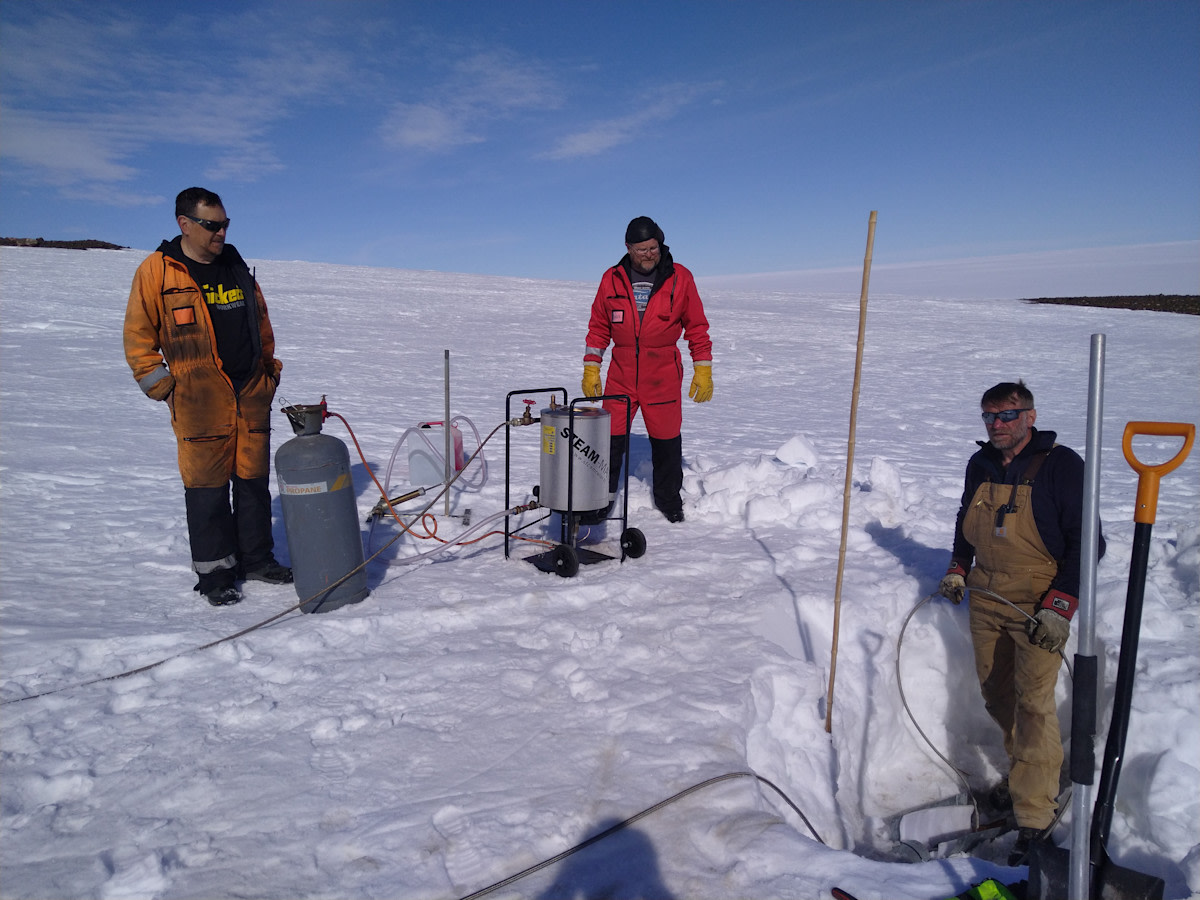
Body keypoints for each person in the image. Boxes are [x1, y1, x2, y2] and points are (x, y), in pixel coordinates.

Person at [938, 380, 1103, 865]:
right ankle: (1029, 773)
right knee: (996, 692)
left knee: (1033, 704)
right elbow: (964, 520)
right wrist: (956, 566)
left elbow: (1088, 541)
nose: (996, 426)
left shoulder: (1062, 466)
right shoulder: (981, 463)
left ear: (1030, 416)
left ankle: (1035, 814)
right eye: (989, 417)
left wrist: (1061, 604)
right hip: (986, 594)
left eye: (1007, 416)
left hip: (1038, 600)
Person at [124, 187, 291, 607]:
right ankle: (216, 573)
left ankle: (256, 559)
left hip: (250, 394)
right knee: (207, 488)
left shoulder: (235, 266)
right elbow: (138, 339)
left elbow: (262, 326)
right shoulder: (158, 272)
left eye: (225, 224)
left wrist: (268, 374)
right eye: (212, 225)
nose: (221, 233)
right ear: (184, 224)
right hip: (199, 401)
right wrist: (164, 386)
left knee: (252, 483)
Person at [581, 216, 713, 523]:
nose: (648, 254)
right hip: (622, 373)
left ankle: (668, 500)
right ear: (628, 248)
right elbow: (599, 327)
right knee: (609, 442)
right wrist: (592, 369)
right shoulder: (611, 279)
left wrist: (703, 369)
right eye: (641, 249)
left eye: (653, 247)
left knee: (667, 443)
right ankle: (601, 501)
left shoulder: (680, 278)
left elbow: (697, 327)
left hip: (662, 373)